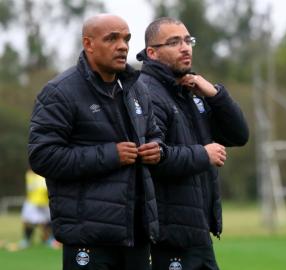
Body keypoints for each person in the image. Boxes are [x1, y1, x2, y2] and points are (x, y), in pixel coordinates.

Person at [28, 14, 164, 270]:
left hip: (137, 233)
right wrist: (111, 154)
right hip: (88, 239)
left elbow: (155, 134)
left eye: (126, 38)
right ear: (88, 44)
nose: (123, 45)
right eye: (112, 38)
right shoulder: (59, 92)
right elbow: (42, 156)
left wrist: (157, 149)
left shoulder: (137, 89)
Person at [136, 17, 249, 270]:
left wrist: (215, 94)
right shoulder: (147, 93)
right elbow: (153, 157)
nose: (185, 47)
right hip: (168, 236)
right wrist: (202, 154)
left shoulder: (191, 91)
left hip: (196, 232)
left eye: (188, 40)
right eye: (174, 42)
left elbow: (239, 135)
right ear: (152, 53)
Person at [6, 169, 59, 251]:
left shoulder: (47, 174)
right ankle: (27, 240)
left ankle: (49, 240)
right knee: (27, 221)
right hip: (32, 202)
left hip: (44, 202)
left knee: (47, 222)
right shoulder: (30, 174)